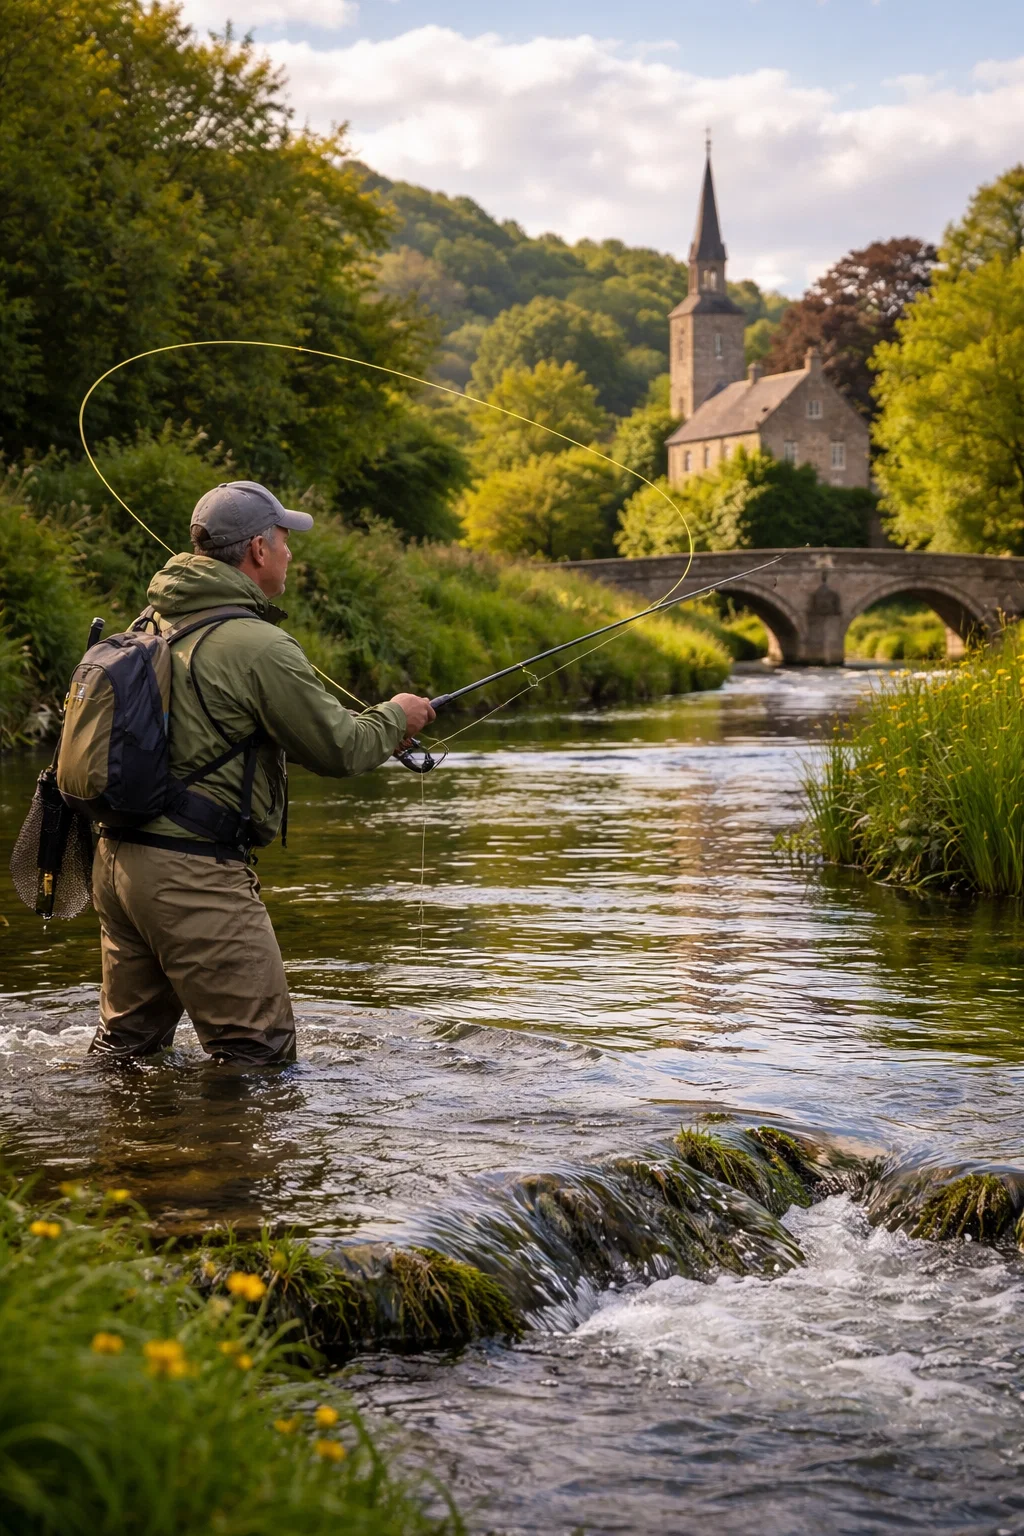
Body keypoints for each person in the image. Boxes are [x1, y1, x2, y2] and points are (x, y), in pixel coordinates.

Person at [88, 480, 435, 1065]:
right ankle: (223, 1160)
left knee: (127, 1052)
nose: (290, 552)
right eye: (283, 540)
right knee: (258, 1055)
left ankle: (129, 1157)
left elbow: (219, 733)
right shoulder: (257, 644)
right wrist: (397, 715)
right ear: (256, 550)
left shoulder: (150, 622)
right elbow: (339, 750)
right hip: (192, 877)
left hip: (118, 865)